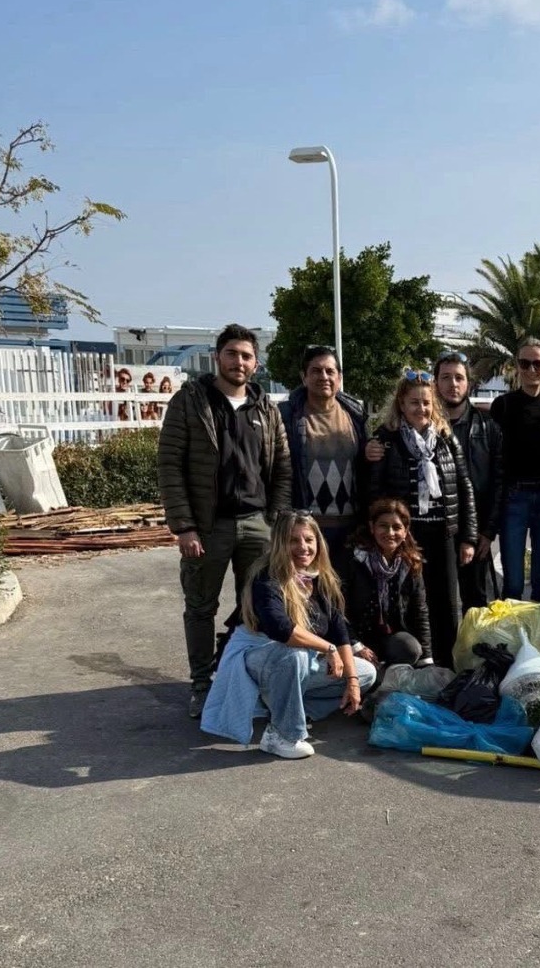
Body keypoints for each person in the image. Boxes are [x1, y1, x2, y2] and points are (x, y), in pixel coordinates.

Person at [158, 323, 292, 719]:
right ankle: (201, 684)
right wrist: (184, 526)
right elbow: (170, 465)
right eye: (232, 353)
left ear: (256, 363)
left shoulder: (266, 408)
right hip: (208, 526)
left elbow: (282, 467)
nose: (240, 362)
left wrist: (277, 520)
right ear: (218, 357)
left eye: (247, 355)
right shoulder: (190, 402)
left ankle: (245, 680)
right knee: (201, 607)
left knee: (258, 608)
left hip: (257, 524)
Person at [200, 511, 378, 759]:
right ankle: (282, 734)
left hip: (299, 659)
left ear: (318, 543)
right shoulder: (266, 576)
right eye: (293, 540)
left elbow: (339, 630)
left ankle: (294, 710)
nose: (302, 547)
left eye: (308, 539)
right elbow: (280, 630)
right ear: (279, 543)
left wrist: (352, 681)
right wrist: (328, 650)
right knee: (292, 655)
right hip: (256, 658)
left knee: (366, 673)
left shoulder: (320, 578)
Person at [368, 370, 477, 668]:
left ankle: (445, 665)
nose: (421, 409)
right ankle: (414, 662)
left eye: (426, 402)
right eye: (414, 402)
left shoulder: (445, 439)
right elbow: (374, 491)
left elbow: (464, 487)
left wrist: (468, 537)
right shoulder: (386, 440)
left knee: (446, 602)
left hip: (443, 533)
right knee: (412, 602)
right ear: (401, 404)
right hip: (406, 536)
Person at [278, 345, 368, 574]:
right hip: (305, 533)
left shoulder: (356, 416)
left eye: (330, 371)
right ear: (304, 377)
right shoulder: (286, 416)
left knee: (344, 597)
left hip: (349, 530)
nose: (324, 377)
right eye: (316, 371)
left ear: (339, 377)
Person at [489, 337, 540, 603]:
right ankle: (512, 639)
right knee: (512, 581)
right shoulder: (503, 405)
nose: (532, 369)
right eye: (525, 363)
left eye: (538, 363)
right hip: (514, 497)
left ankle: (538, 637)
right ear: (517, 366)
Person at [434, 350, 503, 610]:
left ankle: (476, 651)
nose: (453, 384)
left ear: (468, 383)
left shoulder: (488, 427)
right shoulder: (423, 425)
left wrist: (488, 532)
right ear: (436, 382)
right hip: (435, 531)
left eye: (459, 378)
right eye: (446, 377)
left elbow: (498, 482)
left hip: (475, 530)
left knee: (476, 601)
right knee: (439, 602)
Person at [345, 497, 432, 672]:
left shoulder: (411, 563)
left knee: (410, 648)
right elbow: (336, 610)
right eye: (383, 526)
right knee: (366, 674)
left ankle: (386, 674)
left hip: (389, 635)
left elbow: (420, 611)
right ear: (372, 527)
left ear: (406, 530)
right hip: (356, 638)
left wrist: (426, 660)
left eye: (397, 527)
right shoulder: (354, 559)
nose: (390, 533)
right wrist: (355, 645)